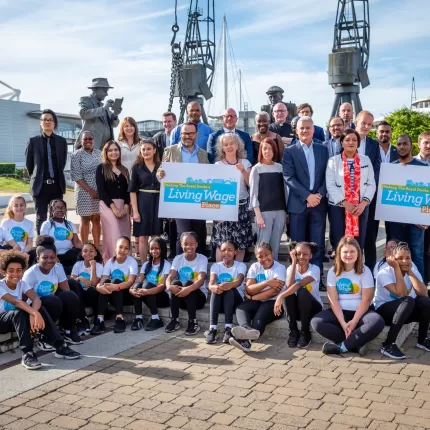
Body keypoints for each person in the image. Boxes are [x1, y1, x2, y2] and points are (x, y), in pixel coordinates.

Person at [0, 251, 79, 368]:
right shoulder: (1, 286)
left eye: (19, 270)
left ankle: (60, 346)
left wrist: (34, 313)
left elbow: (36, 299)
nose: (15, 274)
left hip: (18, 319)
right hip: (3, 321)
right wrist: (33, 313)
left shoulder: (22, 284)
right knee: (19, 311)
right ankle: (27, 353)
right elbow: (17, 301)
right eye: (11, 270)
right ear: (3, 272)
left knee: (38, 309)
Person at [311, 237, 385, 355]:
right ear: (339, 253)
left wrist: (354, 321)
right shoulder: (332, 271)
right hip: (341, 311)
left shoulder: (365, 271)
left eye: (352, 251)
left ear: (358, 253)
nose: (348, 255)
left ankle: (342, 347)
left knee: (378, 322)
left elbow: (366, 300)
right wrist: (343, 323)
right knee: (317, 322)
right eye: (345, 252)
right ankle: (355, 344)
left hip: (362, 312)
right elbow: (333, 300)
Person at [283, 116, 329, 284]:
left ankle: (317, 279)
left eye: (308, 127)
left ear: (313, 129)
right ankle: (295, 279)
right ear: (296, 130)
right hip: (298, 205)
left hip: (318, 204)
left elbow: (327, 175)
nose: (305, 131)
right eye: (301, 128)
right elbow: (288, 176)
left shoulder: (323, 149)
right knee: (297, 246)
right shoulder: (290, 151)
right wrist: (307, 196)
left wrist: (319, 195)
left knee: (317, 245)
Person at [23, 236, 83, 355]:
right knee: (53, 300)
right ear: (38, 257)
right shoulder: (30, 274)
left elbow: (66, 291)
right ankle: (44, 337)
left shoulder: (58, 268)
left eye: (52, 257)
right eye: (44, 257)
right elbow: (23, 300)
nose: (49, 260)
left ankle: (68, 331)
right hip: (35, 307)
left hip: (53, 303)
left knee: (70, 296)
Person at [157, 122, 209, 255]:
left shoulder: (203, 154)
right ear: (180, 134)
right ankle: (180, 265)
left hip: (198, 200)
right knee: (183, 235)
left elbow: (208, 177)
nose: (188, 136)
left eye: (191, 133)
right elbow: (161, 172)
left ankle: (199, 266)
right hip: (179, 200)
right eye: (185, 133)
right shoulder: (170, 151)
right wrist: (160, 174)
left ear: (196, 135)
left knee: (199, 234)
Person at [374, 242, 430, 359]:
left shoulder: (412, 268)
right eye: (400, 258)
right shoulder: (384, 273)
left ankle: (422, 340)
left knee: (425, 301)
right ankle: (388, 344)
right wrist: (396, 269)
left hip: (404, 311)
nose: (404, 261)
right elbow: (401, 293)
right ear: (393, 259)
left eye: (407, 258)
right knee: (408, 300)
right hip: (384, 312)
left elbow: (423, 293)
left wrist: (410, 272)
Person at [229, 242, 286, 353]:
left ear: (272, 253)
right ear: (256, 257)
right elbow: (249, 288)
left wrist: (253, 297)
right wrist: (267, 283)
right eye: (260, 256)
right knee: (241, 308)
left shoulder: (280, 268)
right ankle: (247, 329)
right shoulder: (255, 267)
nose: (264, 258)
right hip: (258, 301)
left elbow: (274, 291)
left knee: (261, 313)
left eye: (267, 254)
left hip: (275, 304)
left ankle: (246, 340)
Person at [326, 129, 376, 251]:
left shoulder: (365, 160)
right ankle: (339, 268)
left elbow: (371, 183)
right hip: (338, 207)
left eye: (354, 140)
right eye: (347, 140)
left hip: (360, 208)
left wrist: (363, 203)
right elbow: (330, 185)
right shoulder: (333, 161)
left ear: (358, 143)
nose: (351, 142)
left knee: (359, 240)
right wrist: (345, 203)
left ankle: (357, 268)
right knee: (339, 240)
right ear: (342, 142)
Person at [386, 135, 428, 278]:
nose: (401, 147)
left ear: (412, 146)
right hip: (395, 221)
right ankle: (399, 285)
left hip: (417, 221)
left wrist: (425, 216)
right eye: (399, 144)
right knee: (396, 253)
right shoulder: (391, 168)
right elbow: (388, 197)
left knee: (416, 253)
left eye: (405, 144)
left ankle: (420, 291)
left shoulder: (423, 168)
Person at [25, 109, 68, 234]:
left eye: (50, 120)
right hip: (40, 186)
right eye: (44, 120)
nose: (47, 122)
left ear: (54, 123)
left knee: (57, 216)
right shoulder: (33, 141)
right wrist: (36, 178)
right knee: (41, 217)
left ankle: (55, 244)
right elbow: (30, 165)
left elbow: (62, 162)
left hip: (56, 185)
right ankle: (42, 246)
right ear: (40, 123)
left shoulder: (61, 141)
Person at [212, 133, 252, 262]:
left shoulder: (245, 163)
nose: (229, 146)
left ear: (237, 145)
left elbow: (250, 184)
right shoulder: (217, 165)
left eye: (231, 143)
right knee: (222, 242)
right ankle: (219, 271)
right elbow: (214, 188)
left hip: (242, 206)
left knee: (241, 242)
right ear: (222, 148)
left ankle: (238, 271)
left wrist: (243, 171)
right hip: (224, 207)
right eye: (226, 144)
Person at [275, 242, 323, 349]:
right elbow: (289, 285)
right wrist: (293, 263)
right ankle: (293, 331)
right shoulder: (291, 269)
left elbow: (299, 284)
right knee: (289, 293)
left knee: (302, 291)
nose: (301, 257)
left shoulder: (314, 269)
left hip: (313, 309)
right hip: (296, 310)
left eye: (305, 254)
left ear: (310, 256)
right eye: (298, 254)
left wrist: (279, 296)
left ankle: (305, 332)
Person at [250, 138, 288, 260]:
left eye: (270, 148)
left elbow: (285, 191)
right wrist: (258, 215)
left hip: (280, 212)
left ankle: (274, 271)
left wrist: (286, 212)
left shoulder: (280, 168)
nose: (267, 151)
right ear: (261, 150)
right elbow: (254, 193)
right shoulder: (257, 169)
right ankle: (261, 271)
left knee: (275, 244)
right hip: (264, 213)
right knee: (263, 245)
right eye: (265, 148)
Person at [91, 236, 138, 335]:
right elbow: (103, 279)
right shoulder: (110, 262)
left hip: (127, 295)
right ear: (115, 248)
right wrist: (99, 286)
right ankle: (100, 320)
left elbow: (130, 282)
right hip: (112, 294)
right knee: (106, 283)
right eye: (120, 247)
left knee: (116, 281)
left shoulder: (132, 262)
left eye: (126, 248)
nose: (122, 250)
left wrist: (116, 286)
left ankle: (119, 319)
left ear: (129, 250)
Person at [165, 232, 208, 336]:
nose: (189, 246)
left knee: (188, 283)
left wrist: (188, 289)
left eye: (192, 243)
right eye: (186, 244)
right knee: (175, 283)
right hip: (182, 298)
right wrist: (169, 286)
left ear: (197, 244)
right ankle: (174, 320)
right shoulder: (177, 259)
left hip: (198, 298)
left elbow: (201, 280)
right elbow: (170, 276)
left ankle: (193, 322)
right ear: (181, 244)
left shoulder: (202, 259)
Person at [354, 110, 381, 273]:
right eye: (363, 123)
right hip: (347, 196)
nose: (366, 127)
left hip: (368, 196)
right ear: (356, 121)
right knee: (351, 235)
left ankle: (370, 270)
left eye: (369, 124)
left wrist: (367, 185)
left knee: (369, 234)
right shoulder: (346, 139)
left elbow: (376, 167)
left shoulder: (373, 144)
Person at [206, 240, 246, 345]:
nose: (226, 253)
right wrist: (214, 287)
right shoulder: (216, 266)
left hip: (236, 302)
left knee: (229, 288)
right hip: (220, 302)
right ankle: (212, 329)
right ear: (219, 251)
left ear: (235, 252)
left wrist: (228, 285)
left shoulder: (240, 266)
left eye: (230, 250)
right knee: (216, 289)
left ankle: (228, 328)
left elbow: (238, 281)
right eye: (223, 250)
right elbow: (211, 283)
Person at [96, 141, 130, 261]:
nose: (113, 152)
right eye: (110, 150)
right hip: (107, 205)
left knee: (124, 234)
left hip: (123, 205)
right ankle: (111, 261)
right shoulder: (101, 168)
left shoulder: (124, 170)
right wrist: (113, 207)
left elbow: (128, 191)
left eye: (116, 150)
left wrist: (126, 206)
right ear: (106, 152)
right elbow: (102, 191)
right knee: (114, 233)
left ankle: (125, 263)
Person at [129, 138, 162, 262]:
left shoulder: (161, 167)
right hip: (142, 203)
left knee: (156, 236)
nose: (146, 152)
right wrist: (135, 211)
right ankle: (143, 265)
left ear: (154, 150)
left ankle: (156, 263)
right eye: (143, 149)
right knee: (142, 237)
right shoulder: (136, 168)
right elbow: (132, 191)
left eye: (149, 149)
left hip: (158, 202)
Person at [129, 237, 170, 331]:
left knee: (146, 284)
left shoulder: (167, 265)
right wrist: (132, 289)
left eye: (157, 248)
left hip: (163, 298)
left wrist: (147, 291)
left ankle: (156, 318)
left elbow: (162, 286)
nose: (154, 251)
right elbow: (139, 280)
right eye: (152, 248)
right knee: (137, 286)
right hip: (148, 295)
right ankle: (138, 318)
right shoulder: (146, 264)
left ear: (162, 249)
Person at [70, 131, 102, 249]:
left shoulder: (99, 153)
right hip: (83, 190)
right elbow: (76, 176)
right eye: (85, 139)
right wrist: (90, 190)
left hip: (98, 189)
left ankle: (97, 247)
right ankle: (84, 248)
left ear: (93, 140)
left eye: (90, 139)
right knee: (85, 219)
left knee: (97, 219)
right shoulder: (76, 155)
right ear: (81, 141)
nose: (88, 141)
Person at [154, 112, 178, 257]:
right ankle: (166, 236)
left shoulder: (179, 136)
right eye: (165, 122)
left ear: (175, 122)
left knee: (173, 213)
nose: (167, 124)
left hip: (177, 178)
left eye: (169, 121)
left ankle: (172, 241)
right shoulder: (158, 138)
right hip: (163, 176)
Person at [40, 199, 83, 275]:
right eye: (57, 208)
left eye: (62, 208)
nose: (60, 210)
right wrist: (54, 256)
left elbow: (76, 242)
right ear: (52, 209)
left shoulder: (70, 224)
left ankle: (68, 270)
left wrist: (87, 248)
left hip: (67, 254)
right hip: (53, 255)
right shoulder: (47, 224)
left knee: (79, 253)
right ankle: (67, 270)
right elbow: (44, 245)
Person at [77, 78, 121, 150]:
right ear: (96, 89)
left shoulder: (103, 106)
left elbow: (114, 125)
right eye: (105, 91)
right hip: (90, 148)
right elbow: (83, 114)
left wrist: (115, 115)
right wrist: (104, 108)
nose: (106, 94)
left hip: (105, 149)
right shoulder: (86, 100)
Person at [70, 243, 104, 335]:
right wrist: (80, 278)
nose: (88, 253)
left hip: (92, 296)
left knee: (92, 289)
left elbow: (94, 283)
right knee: (75, 286)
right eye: (85, 251)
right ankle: (83, 322)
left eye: (91, 251)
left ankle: (98, 320)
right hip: (80, 296)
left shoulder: (99, 266)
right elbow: (72, 280)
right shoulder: (78, 264)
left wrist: (93, 266)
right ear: (81, 253)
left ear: (96, 253)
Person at [415, 131, 430, 284]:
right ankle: (419, 284)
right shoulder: (409, 163)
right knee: (417, 252)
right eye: (426, 142)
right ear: (419, 144)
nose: (428, 145)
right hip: (415, 218)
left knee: (428, 252)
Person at [1, 196, 34, 260]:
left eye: (21, 205)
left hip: (23, 253)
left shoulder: (29, 223)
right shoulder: (5, 222)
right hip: (9, 253)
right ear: (11, 207)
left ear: (25, 206)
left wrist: (24, 252)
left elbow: (29, 243)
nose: (19, 208)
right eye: (16, 205)